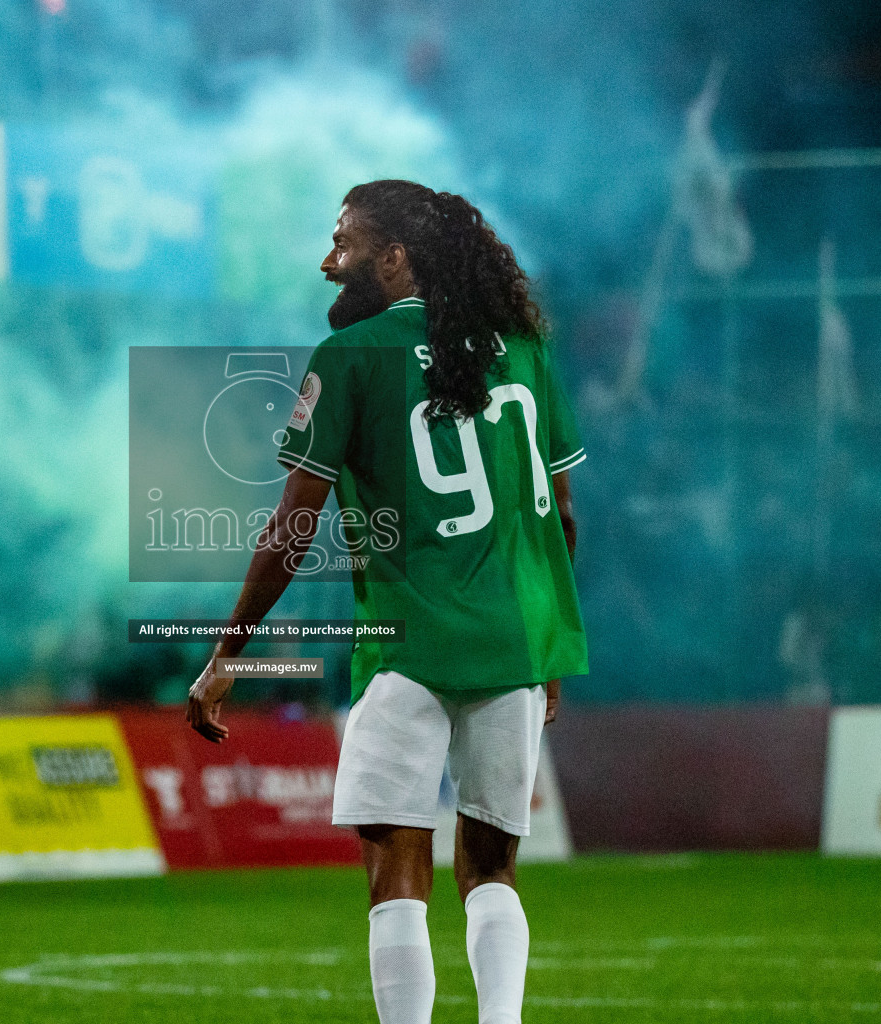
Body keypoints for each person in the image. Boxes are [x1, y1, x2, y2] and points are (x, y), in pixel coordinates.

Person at [186, 179, 588, 1024]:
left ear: (396, 258)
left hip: (405, 650)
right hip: (513, 643)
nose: (330, 263)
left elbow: (293, 526)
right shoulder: (524, 349)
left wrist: (228, 652)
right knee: (491, 870)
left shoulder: (351, 357)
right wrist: (549, 647)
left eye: (345, 243)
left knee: (395, 873)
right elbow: (561, 518)